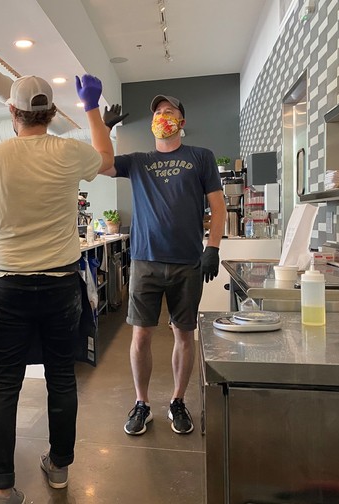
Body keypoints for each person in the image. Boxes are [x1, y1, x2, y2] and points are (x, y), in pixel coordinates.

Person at [0, 74, 114, 504]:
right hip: (61, 285)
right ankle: (60, 468)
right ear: (49, 114)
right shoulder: (67, 151)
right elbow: (105, 157)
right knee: (61, 377)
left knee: (6, 382)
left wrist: (1, 259)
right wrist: (91, 108)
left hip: (7, 287)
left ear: (13, 112)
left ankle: (0, 487)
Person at [100, 95, 226, 436]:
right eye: (157, 111)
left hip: (188, 262)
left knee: (184, 334)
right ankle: (142, 404)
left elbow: (219, 208)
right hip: (145, 261)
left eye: (169, 111)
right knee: (141, 335)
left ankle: (177, 400)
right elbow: (100, 165)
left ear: (181, 121)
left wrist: (212, 248)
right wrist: (103, 127)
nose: (162, 115)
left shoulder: (201, 157)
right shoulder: (138, 161)